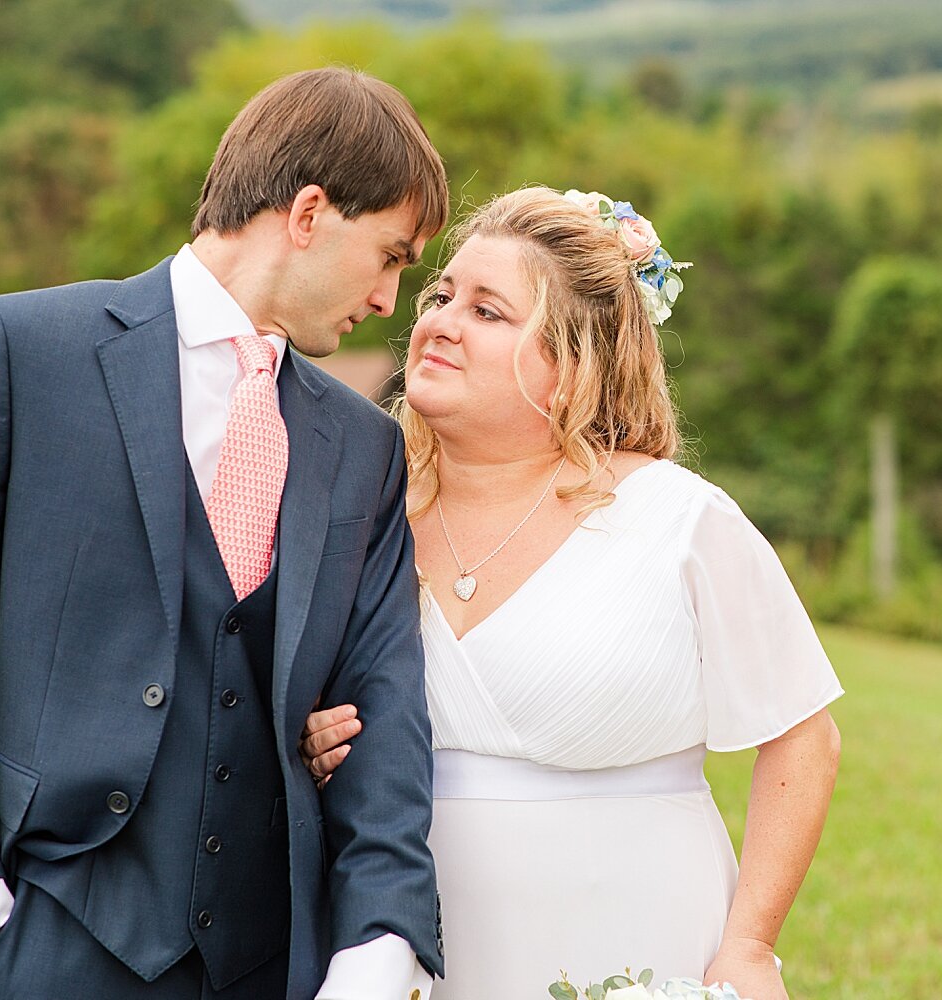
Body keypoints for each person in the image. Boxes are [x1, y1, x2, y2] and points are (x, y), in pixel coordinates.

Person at [0, 68, 448, 1000]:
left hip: (272, 961)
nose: (390, 299)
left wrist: (379, 944)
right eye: (389, 255)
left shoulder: (365, 447)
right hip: (46, 933)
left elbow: (386, 716)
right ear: (308, 213)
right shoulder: (21, 353)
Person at [302, 187, 843, 1000]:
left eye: (488, 312)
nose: (440, 321)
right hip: (410, 958)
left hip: (636, 945)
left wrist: (751, 948)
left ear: (573, 360)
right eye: (442, 296)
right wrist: (310, 746)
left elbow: (804, 737)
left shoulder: (677, 520)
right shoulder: (363, 517)